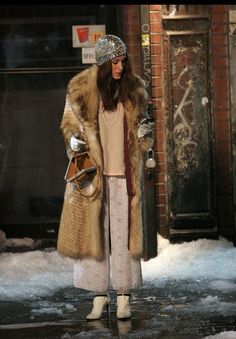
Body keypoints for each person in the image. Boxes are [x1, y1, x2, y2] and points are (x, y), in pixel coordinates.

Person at [59, 34, 155, 321]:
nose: (120, 67)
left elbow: (145, 134)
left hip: (125, 178)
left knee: (125, 239)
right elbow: (68, 127)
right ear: (102, 65)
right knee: (96, 238)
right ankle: (99, 296)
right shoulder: (79, 92)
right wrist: (73, 141)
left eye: (123, 62)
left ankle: (124, 296)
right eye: (115, 62)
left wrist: (145, 135)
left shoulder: (135, 92)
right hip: (93, 179)